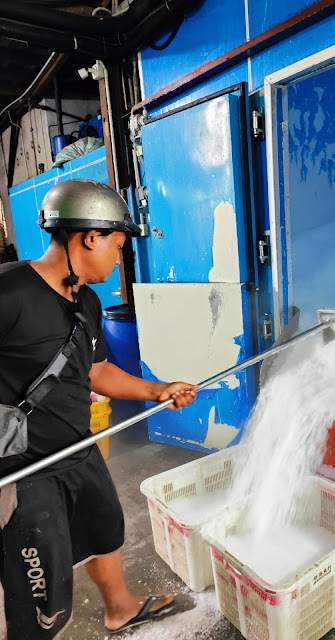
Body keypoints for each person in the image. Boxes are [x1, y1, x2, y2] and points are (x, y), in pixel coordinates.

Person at [0, 179, 198, 638]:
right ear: (89, 237)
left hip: (79, 449)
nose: (119, 256)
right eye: (117, 244)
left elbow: (97, 372)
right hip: (24, 472)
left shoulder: (85, 300)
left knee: (105, 530)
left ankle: (120, 608)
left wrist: (159, 390)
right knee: (42, 596)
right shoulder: (10, 292)